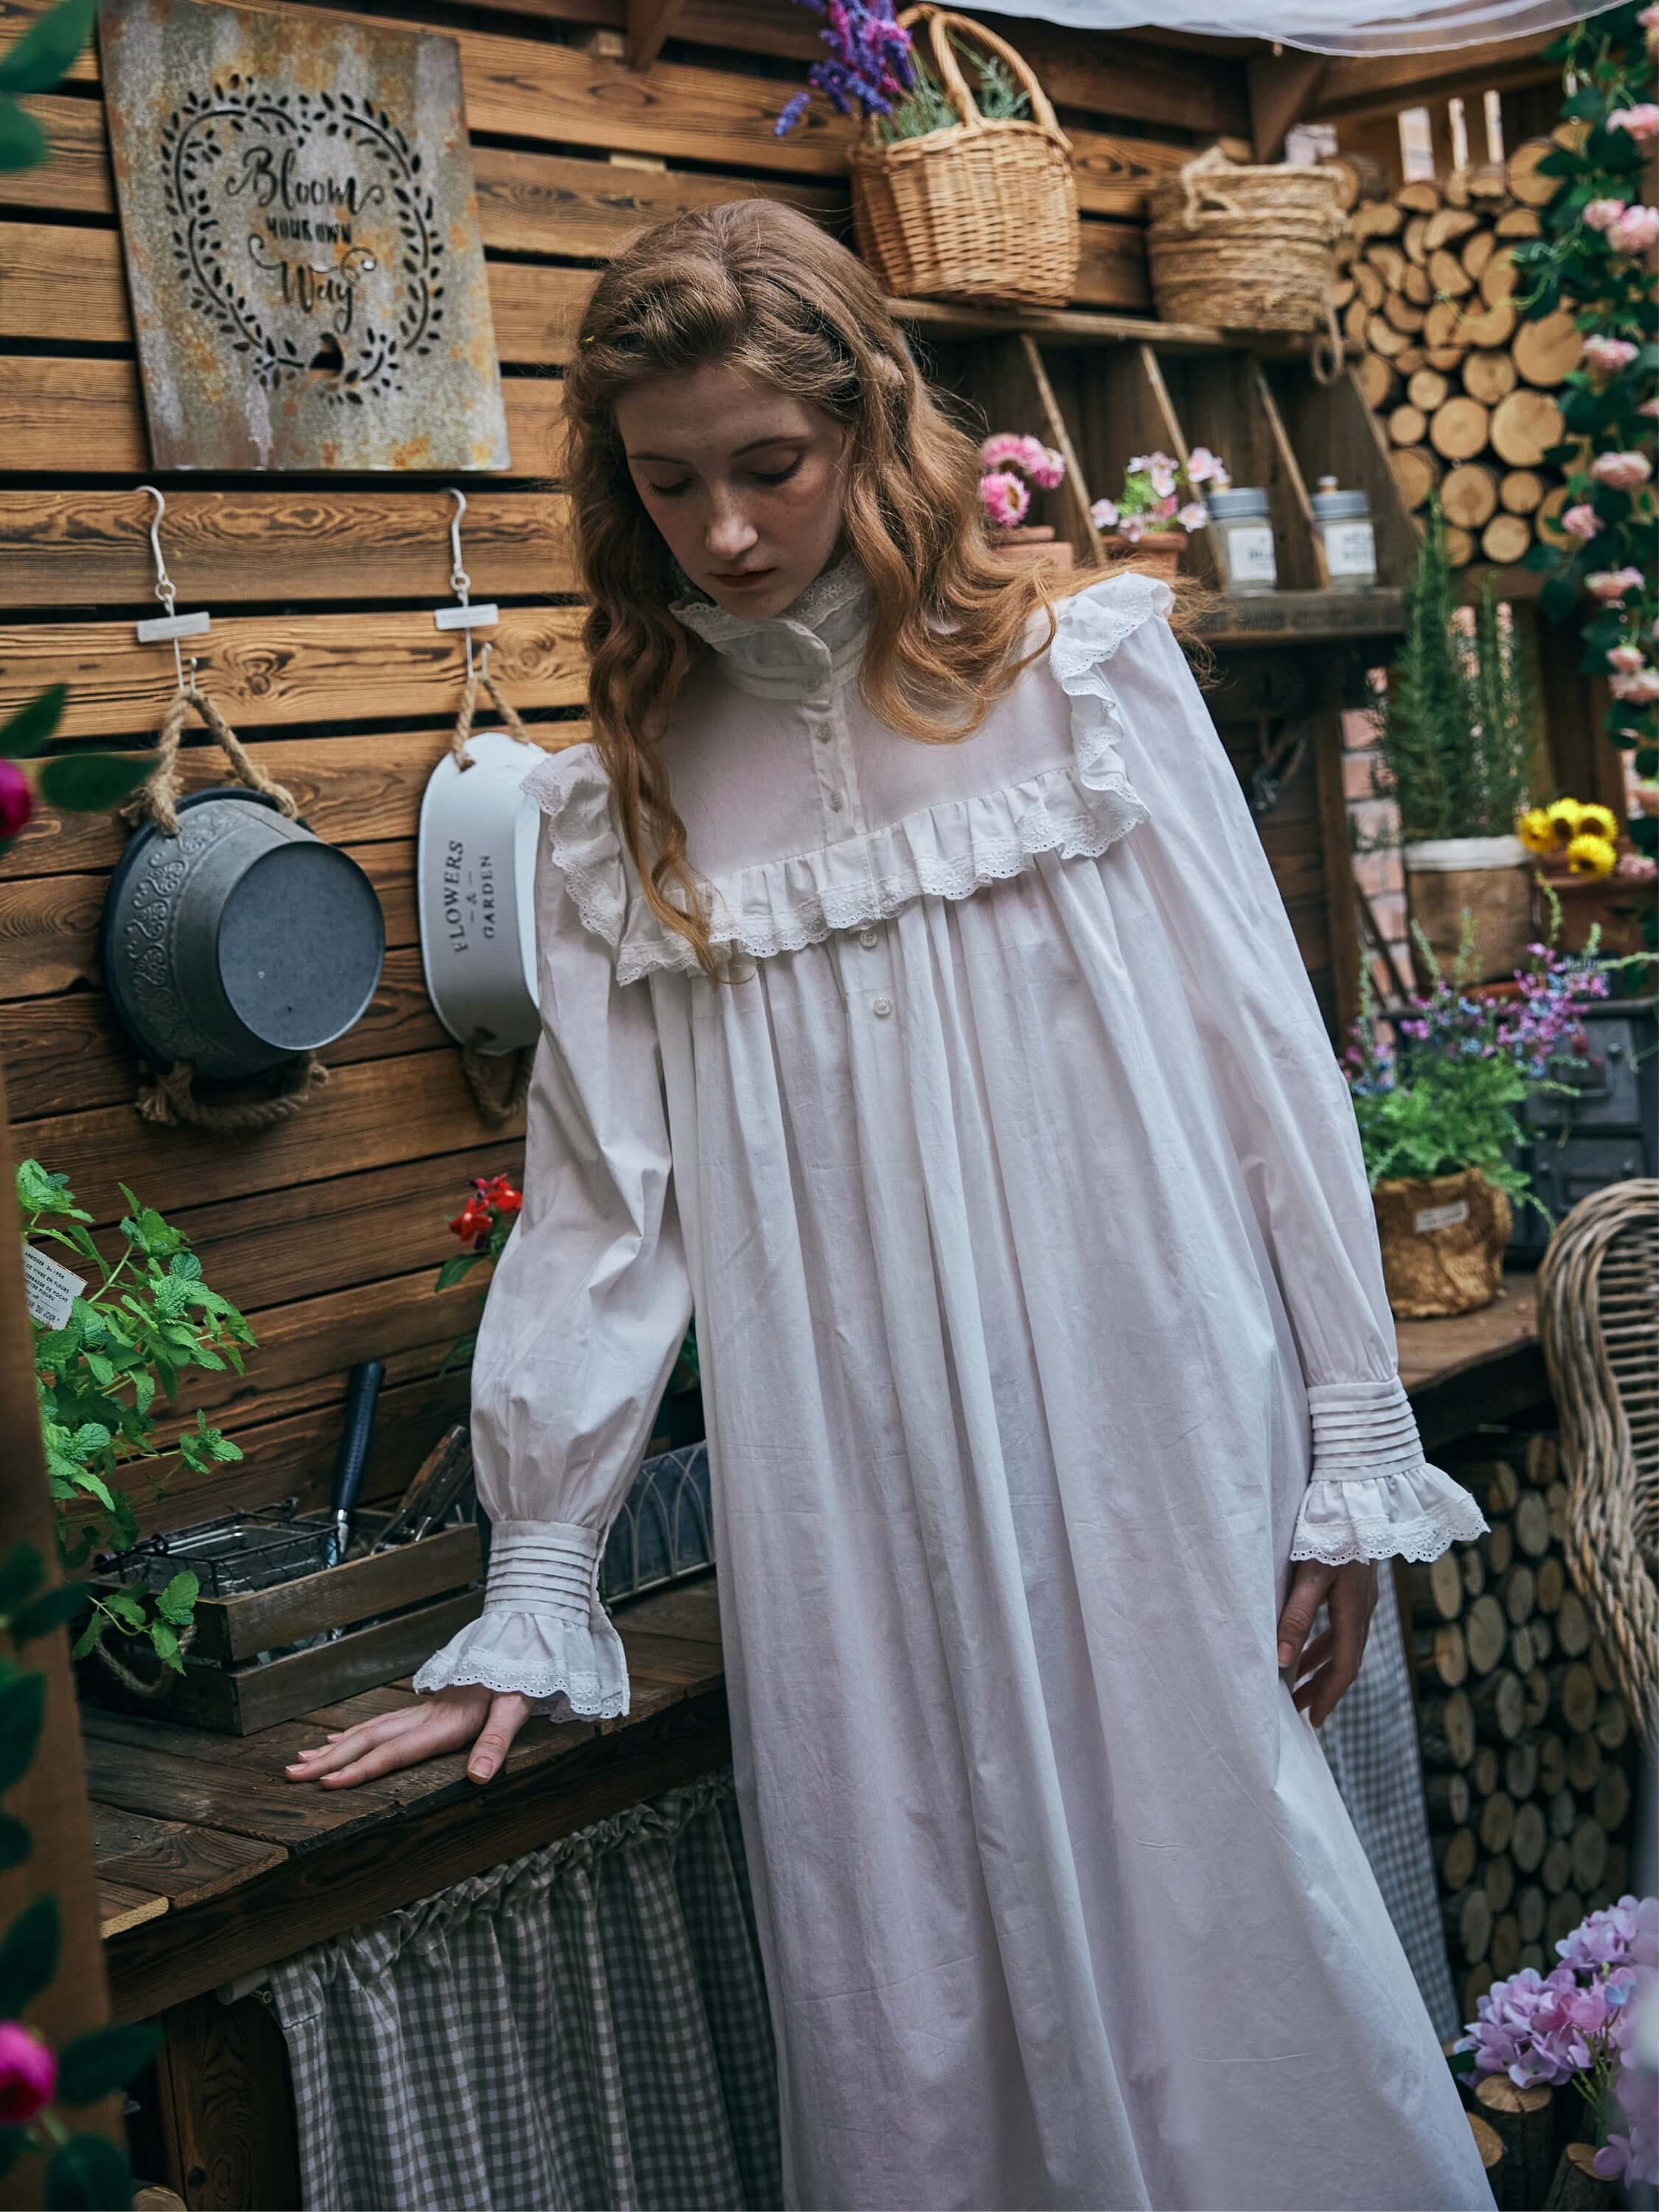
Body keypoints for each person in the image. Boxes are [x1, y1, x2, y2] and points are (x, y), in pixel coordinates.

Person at [287, 200, 1498, 2212]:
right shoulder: (626, 796)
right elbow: (604, 1216)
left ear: (867, 428)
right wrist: (535, 1585)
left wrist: (1344, 1445)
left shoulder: (1084, 676)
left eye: (768, 465)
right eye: (670, 484)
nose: (729, 531)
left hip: (1146, 1430)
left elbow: (1261, 1065)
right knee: (918, 1974)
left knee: (1227, 1921)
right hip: (842, 1502)